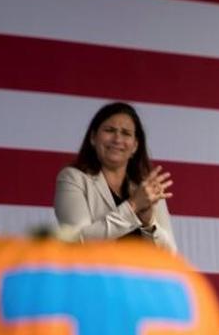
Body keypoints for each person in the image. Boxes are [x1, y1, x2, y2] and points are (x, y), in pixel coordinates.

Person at [54, 102, 175, 250]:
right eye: (109, 130)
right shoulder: (72, 177)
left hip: (140, 273)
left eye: (126, 133)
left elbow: (170, 255)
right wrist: (133, 206)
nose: (117, 139)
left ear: (135, 146)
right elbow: (76, 241)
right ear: (93, 138)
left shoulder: (148, 187)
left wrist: (148, 224)